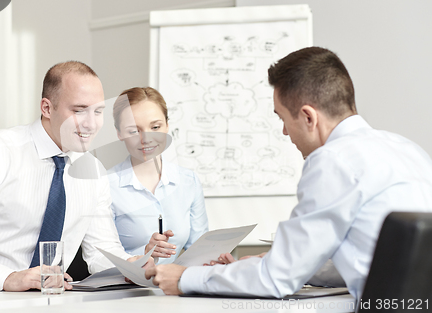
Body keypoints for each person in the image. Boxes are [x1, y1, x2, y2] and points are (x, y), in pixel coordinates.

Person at [145, 47, 432, 300]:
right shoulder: (408, 150)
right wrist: (279, 263)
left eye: (282, 118)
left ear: (308, 117)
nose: (284, 131)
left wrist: (184, 278)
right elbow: (367, 262)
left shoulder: (332, 160)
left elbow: (276, 278)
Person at [0, 61, 145, 291]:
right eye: (78, 110)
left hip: (47, 299)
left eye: (99, 111)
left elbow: (101, 249)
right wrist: (7, 278)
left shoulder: (93, 172)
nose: (91, 124)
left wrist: (128, 267)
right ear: (46, 108)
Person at [107, 87, 208, 263]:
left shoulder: (188, 181)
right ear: (119, 133)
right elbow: (101, 256)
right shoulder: (106, 185)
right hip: (125, 288)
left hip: (174, 287)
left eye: (155, 127)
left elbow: (199, 250)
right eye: (133, 131)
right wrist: (144, 254)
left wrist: (214, 260)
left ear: (167, 126)